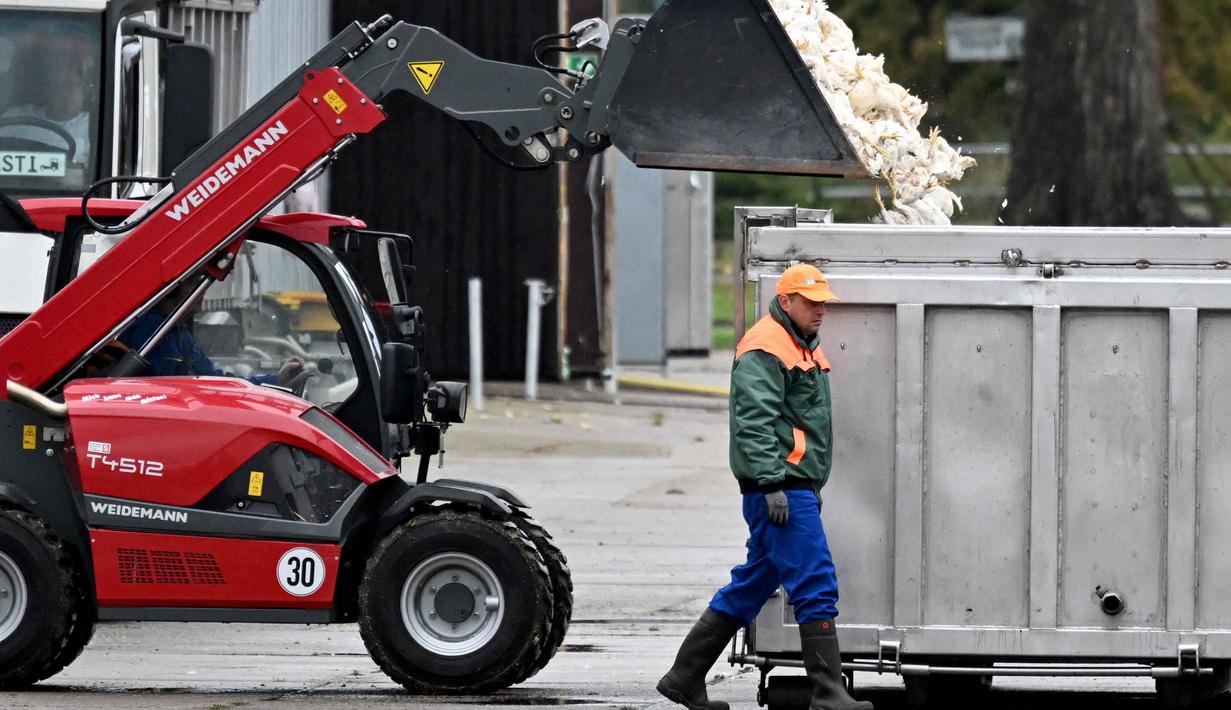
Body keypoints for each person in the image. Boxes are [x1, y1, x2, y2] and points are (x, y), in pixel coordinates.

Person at [657, 264, 872, 710]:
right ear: (787, 301)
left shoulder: (800, 343)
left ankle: (684, 677)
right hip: (779, 490)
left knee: (755, 583)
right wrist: (773, 484)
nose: (820, 311)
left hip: (790, 486)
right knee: (815, 581)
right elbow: (753, 423)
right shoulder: (766, 345)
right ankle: (829, 693)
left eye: (823, 303)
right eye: (811, 303)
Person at [118, 283, 304, 386]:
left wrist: (277, 379)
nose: (202, 291)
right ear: (172, 290)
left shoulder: (179, 334)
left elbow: (214, 380)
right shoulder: (148, 330)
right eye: (195, 282)